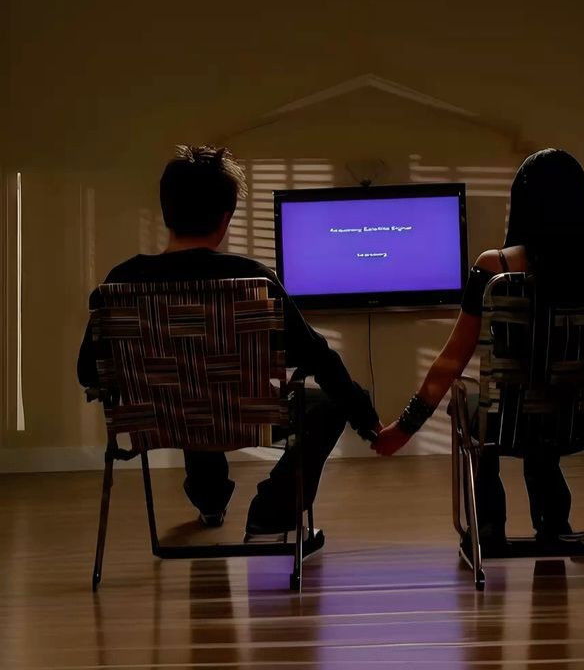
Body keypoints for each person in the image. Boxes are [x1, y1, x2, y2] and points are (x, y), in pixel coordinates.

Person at [78, 145, 380, 538]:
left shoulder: (121, 282)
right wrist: (367, 420)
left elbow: (88, 372)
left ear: (166, 212)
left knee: (190, 384)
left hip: (160, 419)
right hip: (246, 417)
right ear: (226, 217)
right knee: (326, 403)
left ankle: (209, 499)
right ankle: (271, 514)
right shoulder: (253, 281)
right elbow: (318, 358)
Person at [372, 148, 584, 553]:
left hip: (513, 424)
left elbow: (452, 361)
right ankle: (554, 522)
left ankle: (488, 525)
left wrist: (404, 428)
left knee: (472, 400)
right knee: (546, 398)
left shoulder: (497, 268)